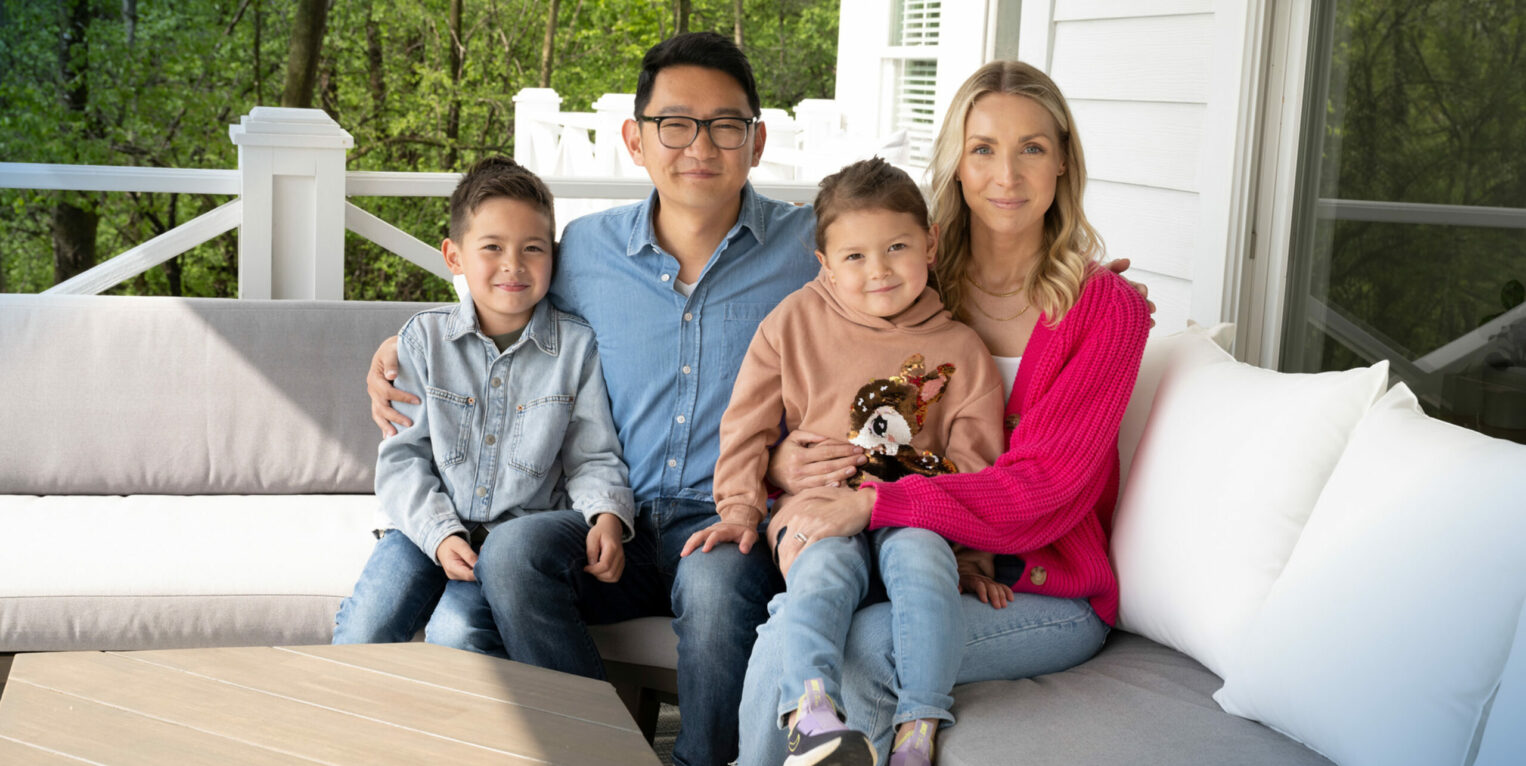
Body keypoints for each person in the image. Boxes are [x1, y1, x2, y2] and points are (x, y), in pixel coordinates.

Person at [737, 60, 1151, 764]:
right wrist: (782, 459)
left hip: (1039, 585)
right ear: (957, 163)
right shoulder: (909, 283)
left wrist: (874, 504)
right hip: (905, 559)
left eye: (1033, 149)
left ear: (1062, 166)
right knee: (786, 630)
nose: (1007, 175)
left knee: (863, 650)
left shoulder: (1101, 310)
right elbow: (823, 396)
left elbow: (1048, 488)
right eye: (984, 148)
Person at [702, 158, 1008, 766]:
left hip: (917, 512)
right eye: (854, 257)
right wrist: (739, 508)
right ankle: (812, 714)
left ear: (931, 242)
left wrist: (972, 559)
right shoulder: (792, 323)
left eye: (897, 247)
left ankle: (917, 726)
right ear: (824, 264)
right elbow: (746, 427)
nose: (879, 271)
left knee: (926, 567)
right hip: (818, 503)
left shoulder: (962, 350)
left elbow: (977, 467)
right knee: (820, 575)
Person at [333, 157, 634, 650]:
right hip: (422, 526)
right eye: (492, 247)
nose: (513, 265)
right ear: (454, 257)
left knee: (459, 632)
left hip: (511, 539)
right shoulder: (423, 341)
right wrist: (439, 534)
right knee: (367, 625)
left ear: (553, 257)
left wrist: (607, 514)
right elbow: (403, 459)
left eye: (532, 249)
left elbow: (592, 454)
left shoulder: (577, 348)